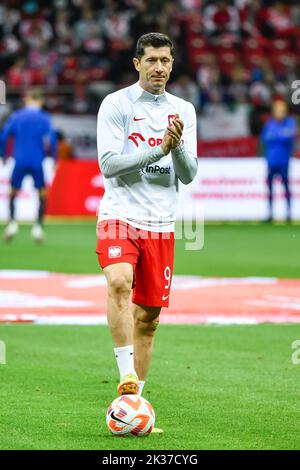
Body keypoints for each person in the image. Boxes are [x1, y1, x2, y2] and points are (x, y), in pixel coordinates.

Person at [96, 32, 198, 432]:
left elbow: (188, 176)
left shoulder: (184, 110)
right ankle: (126, 380)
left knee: (149, 320)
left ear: (172, 65)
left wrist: (175, 148)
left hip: (161, 225)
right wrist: (158, 150)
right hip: (120, 214)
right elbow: (108, 164)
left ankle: (134, 405)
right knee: (119, 281)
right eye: (152, 60)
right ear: (137, 63)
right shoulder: (116, 104)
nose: (159, 67)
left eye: (166, 61)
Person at [0, 87, 57, 242]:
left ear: (28, 99)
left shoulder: (17, 116)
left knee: (12, 192)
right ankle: (38, 227)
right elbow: (52, 140)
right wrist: (54, 159)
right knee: (42, 193)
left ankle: (12, 224)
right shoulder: (44, 118)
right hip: (37, 161)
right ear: (40, 101)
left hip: (20, 160)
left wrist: (3, 155)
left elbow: (4, 136)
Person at [262, 99, 297, 222]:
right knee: (270, 188)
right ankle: (270, 214)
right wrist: (281, 135)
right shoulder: (270, 123)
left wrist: (276, 135)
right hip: (271, 161)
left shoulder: (290, 123)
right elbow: (265, 138)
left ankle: (288, 213)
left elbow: (289, 137)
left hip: (283, 161)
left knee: (286, 187)